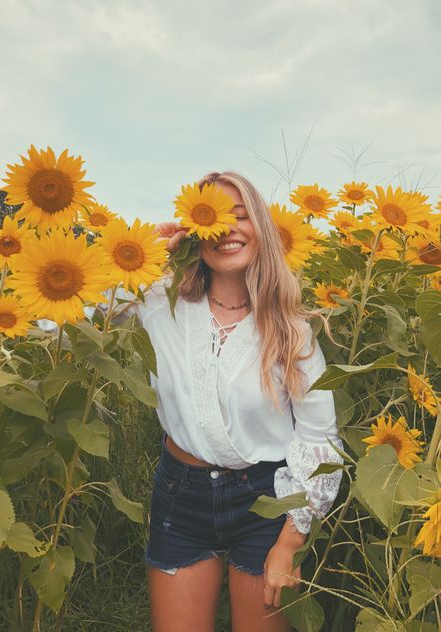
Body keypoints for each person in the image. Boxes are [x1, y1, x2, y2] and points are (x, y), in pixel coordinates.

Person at [110, 171, 344, 632]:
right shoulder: (160, 302)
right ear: (195, 234)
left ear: (261, 226)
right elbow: (66, 315)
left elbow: (321, 441)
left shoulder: (291, 331)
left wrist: (291, 540)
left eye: (240, 216)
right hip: (182, 492)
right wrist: (144, 253)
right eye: (210, 218)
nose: (227, 229)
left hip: (266, 503)